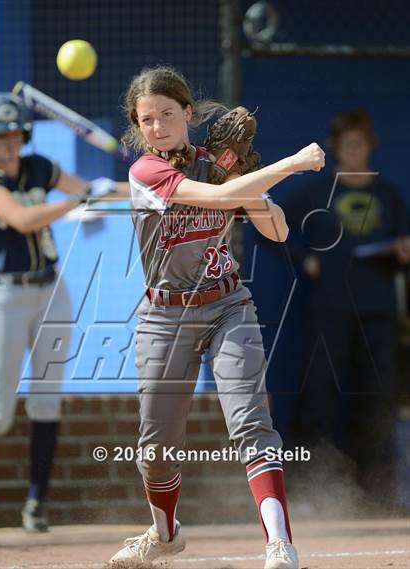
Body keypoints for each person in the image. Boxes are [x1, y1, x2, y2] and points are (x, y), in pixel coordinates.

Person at [108, 66, 325, 569]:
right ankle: (165, 535)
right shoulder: (145, 173)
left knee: (251, 421)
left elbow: (279, 231)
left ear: (188, 113)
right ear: (138, 128)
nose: (158, 125)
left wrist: (242, 177)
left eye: (167, 114)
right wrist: (290, 164)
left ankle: (279, 543)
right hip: (165, 317)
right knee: (156, 445)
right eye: (147, 119)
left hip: (228, 305)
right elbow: (216, 199)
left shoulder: (216, 166)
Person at [0, 93, 127, 532]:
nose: (7, 145)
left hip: (51, 290)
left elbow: (91, 191)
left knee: (47, 399)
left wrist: (154, 185)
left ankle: (36, 504)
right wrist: (83, 196)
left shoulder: (39, 166)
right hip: (5, 296)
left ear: (24, 136)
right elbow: (22, 219)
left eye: (13, 135)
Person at [285, 110, 410, 505]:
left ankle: (376, 492)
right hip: (330, 308)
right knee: (319, 394)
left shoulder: (387, 193)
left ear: (371, 145)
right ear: (337, 147)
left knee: (378, 397)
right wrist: (303, 257)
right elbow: (272, 223)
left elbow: (403, 241)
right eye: (347, 144)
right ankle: (310, 488)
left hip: (379, 309)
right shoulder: (317, 191)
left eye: (361, 142)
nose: (355, 150)